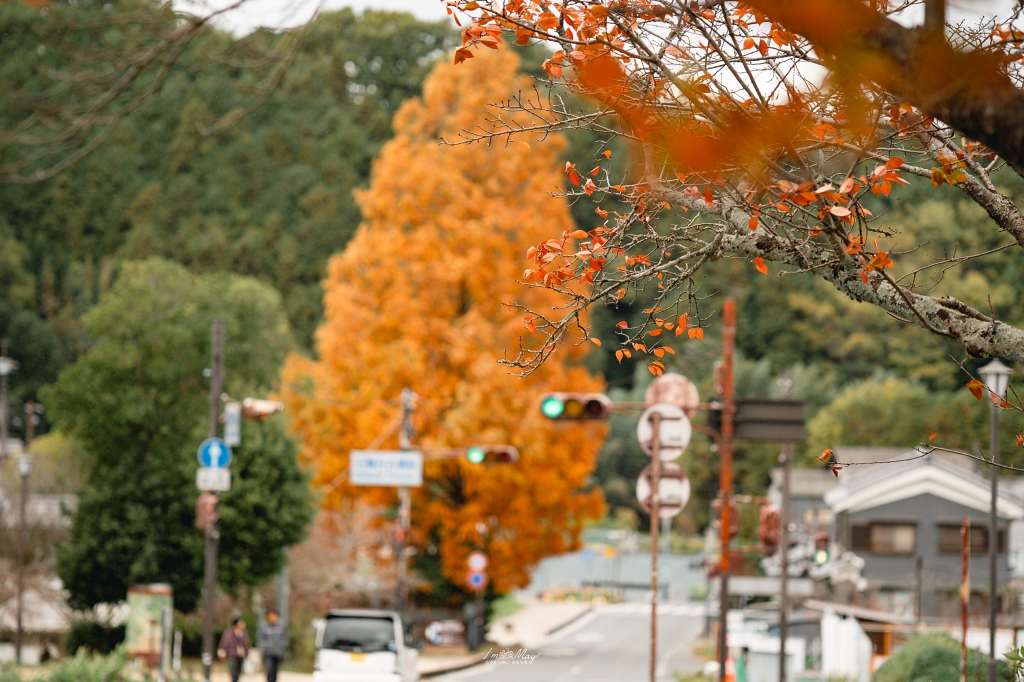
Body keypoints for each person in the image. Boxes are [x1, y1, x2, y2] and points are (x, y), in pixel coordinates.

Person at [258, 609, 288, 682]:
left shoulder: (281, 626)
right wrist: (266, 646)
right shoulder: (264, 627)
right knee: (269, 669)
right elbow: (261, 639)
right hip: (268, 653)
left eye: (273, 616)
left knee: (275, 671)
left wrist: (282, 646)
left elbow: (285, 638)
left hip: (278, 653)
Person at [218, 617, 251, 682]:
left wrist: (247, 652)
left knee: (238, 672)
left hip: (241, 655)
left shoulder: (243, 633)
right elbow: (224, 642)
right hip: (232, 655)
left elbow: (246, 643)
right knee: (233, 671)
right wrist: (222, 650)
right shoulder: (229, 633)